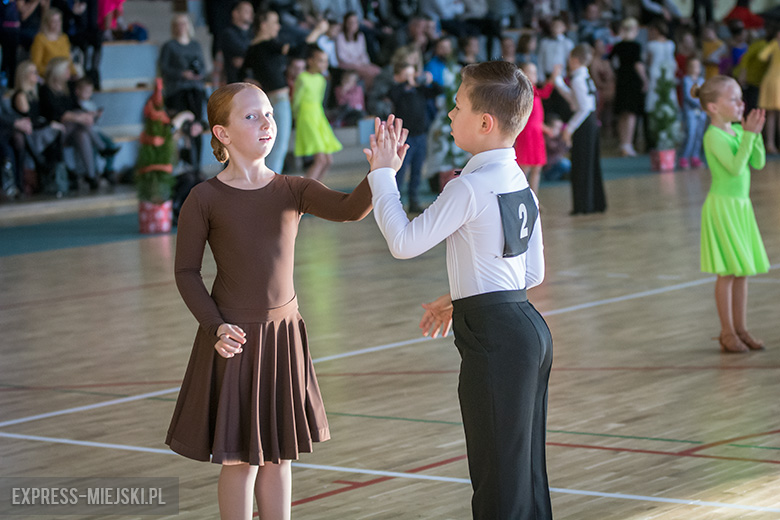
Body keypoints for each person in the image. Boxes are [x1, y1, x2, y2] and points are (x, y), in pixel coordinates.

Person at [166, 81, 407, 520]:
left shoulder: (293, 188)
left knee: (279, 456)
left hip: (283, 336)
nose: (266, 123)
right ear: (222, 133)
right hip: (234, 338)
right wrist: (215, 326)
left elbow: (351, 209)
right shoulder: (204, 198)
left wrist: (381, 173)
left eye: (270, 115)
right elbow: (185, 272)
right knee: (241, 459)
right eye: (252, 116)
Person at [365, 60, 553, 520]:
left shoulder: (467, 187)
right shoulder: (519, 183)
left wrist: (384, 175)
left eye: (457, 106)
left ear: (485, 122)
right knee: (524, 475)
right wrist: (461, 297)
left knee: (497, 484)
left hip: (497, 341)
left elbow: (405, 243)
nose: (449, 115)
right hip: (528, 332)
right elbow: (531, 274)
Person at [692, 75, 768, 352]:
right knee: (727, 272)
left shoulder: (737, 131)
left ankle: (741, 328)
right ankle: (727, 332)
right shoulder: (714, 136)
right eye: (733, 99)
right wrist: (748, 135)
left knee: (741, 272)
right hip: (723, 207)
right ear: (713, 107)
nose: (740, 103)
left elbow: (757, 163)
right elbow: (736, 168)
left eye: (740, 98)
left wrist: (754, 135)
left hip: (741, 207)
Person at [387, 63, 442, 213]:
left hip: (420, 136)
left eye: (413, 75)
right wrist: (406, 83)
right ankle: (394, 204)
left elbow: (438, 91)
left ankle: (414, 201)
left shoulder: (420, 90)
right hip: (404, 138)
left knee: (417, 171)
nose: (411, 79)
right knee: (400, 171)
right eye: (407, 75)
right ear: (398, 77)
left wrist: (429, 81)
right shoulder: (399, 91)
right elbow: (392, 95)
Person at [158, 13, 208, 172]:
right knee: (181, 127)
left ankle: (196, 166)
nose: (181, 27)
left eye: (184, 23)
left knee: (197, 126)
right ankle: (180, 165)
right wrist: (182, 74)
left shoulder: (196, 45)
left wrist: (197, 73)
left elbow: (203, 66)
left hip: (195, 90)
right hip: (178, 91)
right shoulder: (169, 46)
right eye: (178, 24)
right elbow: (164, 68)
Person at [292, 45, 342, 181]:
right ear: (310, 61)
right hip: (306, 117)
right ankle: (305, 191)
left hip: (318, 116)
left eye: (325, 61)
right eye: (320, 60)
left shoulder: (321, 80)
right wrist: (296, 117)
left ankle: (315, 189)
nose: (324, 64)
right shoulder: (302, 78)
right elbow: (296, 101)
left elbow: (319, 100)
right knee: (320, 159)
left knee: (328, 160)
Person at [514, 61, 558, 196]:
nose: (534, 75)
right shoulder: (525, 91)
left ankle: (534, 198)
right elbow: (545, 93)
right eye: (530, 72)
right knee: (524, 169)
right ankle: (520, 197)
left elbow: (536, 119)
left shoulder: (532, 90)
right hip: (527, 135)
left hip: (536, 134)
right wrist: (553, 78)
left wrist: (545, 128)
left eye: (535, 72)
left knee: (536, 168)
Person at [609, 17, 646, 157]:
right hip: (633, 80)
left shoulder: (618, 45)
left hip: (621, 79)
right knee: (631, 113)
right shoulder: (636, 46)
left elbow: (609, 61)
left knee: (622, 113)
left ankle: (622, 143)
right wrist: (644, 79)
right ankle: (628, 144)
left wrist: (614, 74)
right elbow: (638, 65)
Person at [29, 7, 78, 77]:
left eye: (59, 20)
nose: (57, 24)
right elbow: (36, 64)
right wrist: (52, 72)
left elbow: (69, 60)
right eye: (54, 21)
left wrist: (74, 73)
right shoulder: (40, 39)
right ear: (47, 23)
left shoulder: (64, 38)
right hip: (49, 76)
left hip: (65, 75)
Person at [215, 1, 254, 85]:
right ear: (235, 13)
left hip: (253, 82)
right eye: (246, 11)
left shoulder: (252, 34)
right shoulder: (228, 34)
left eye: (251, 12)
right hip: (236, 84)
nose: (251, 15)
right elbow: (245, 50)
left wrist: (244, 61)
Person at [679, 57, 706, 169]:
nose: (695, 68)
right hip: (690, 110)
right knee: (690, 133)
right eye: (692, 66)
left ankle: (695, 157)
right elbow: (687, 96)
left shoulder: (701, 80)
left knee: (699, 134)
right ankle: (684, 157)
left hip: (701, 112)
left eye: (697, 66)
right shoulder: (686, 80)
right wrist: (697, 104)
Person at [757, 29, 780, 154]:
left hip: (777, 81)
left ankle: (773, 143)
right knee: (771, 114)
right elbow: (762, 56)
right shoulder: (774, 44)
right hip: (773, 81)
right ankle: (770, 144)